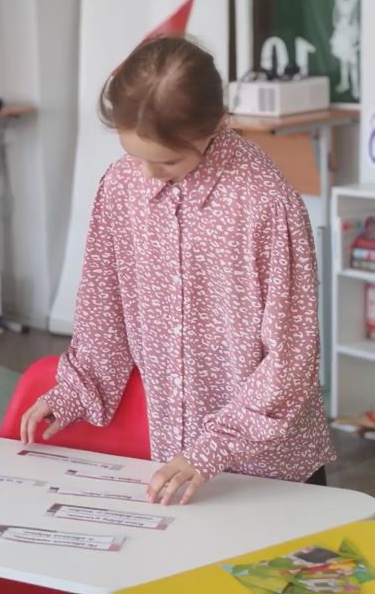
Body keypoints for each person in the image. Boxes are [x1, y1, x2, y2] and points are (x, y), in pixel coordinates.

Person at [20, 36, 335, 505]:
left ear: (218, 124)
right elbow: (103, 313)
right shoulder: (121, 186)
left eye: (167, 160)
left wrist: (212, 449)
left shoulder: (266, 203)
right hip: (173, 465)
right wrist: (73, 392)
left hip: (271, 471)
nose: (148, 173)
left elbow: (290, 360)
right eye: (136, 154)